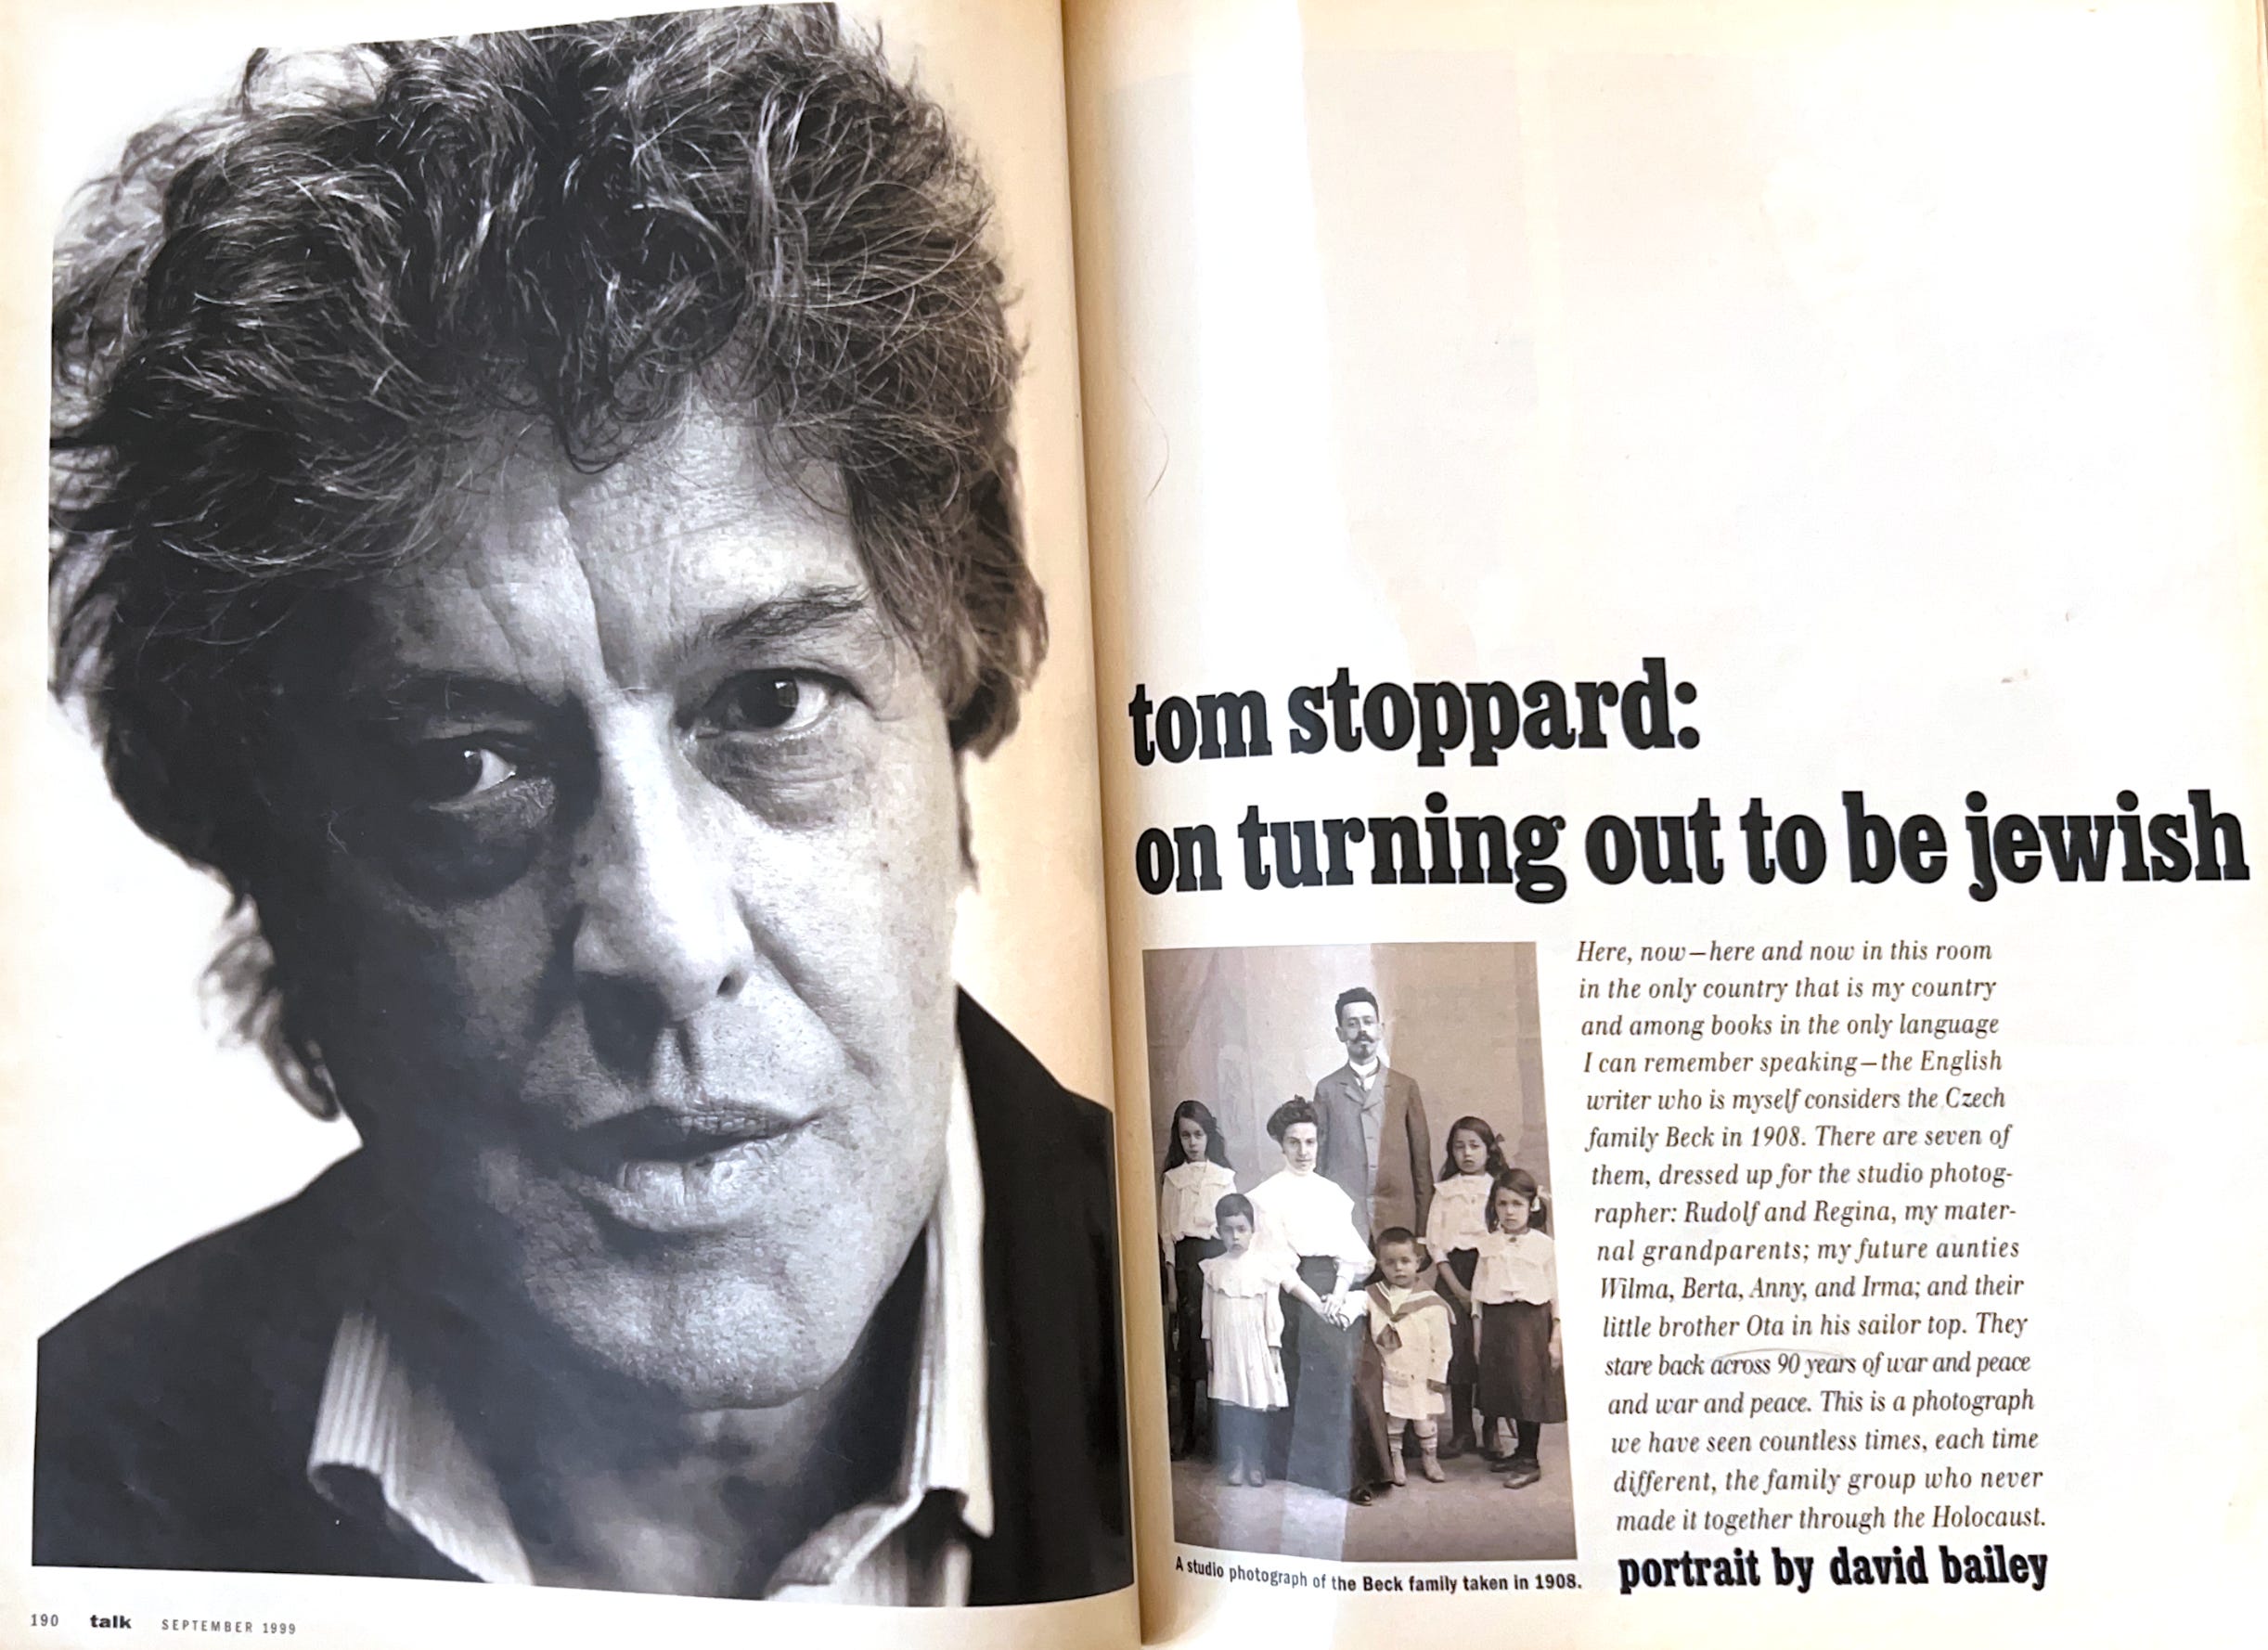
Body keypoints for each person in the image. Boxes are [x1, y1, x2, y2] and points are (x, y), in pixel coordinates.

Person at [36, 8, 1129, 1606]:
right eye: (463, 764)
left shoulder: (1253, 1341)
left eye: (770, 704)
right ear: (281, 876)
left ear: (954, 703)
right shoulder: (60, 1488)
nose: (668, 943)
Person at [1246, 1098, 1387, 1502]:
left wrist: (1339, 1296)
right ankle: (1341, 1477)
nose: (1303, 1152)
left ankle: (1364, 1467)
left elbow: (1351, 1253)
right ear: (1281, 1144)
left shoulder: (1331, 1193)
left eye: (1310, 1142)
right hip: (1295, 1295)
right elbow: (1279, 1265)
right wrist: (1318, 1304)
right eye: (1294, 1142)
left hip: (1335, 1288)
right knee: (1327, 1366)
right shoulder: (1267, 1197)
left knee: (1358, 1365)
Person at [1197, 1193, 1326, 1489]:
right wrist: (1209, 1345)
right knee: (1231, 1407)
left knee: (1255, 1406)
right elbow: (1207, 1313)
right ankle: (1237, 1461)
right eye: (1228, 1230)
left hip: (1255, 1346)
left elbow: (1272, 1312)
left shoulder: (1265, 1266)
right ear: (1218, 1231)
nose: (1235, 1236)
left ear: (1252, 1230)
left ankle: (1256, 1461)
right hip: (1227, 1345)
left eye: (1241, 1229)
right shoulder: (1213, 1269)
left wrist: (1272, 1348)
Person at [1310, 987, 1435, 1240]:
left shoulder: (1405, 1087)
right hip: (1345, 1221)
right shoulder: (1327, 1090)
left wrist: (1422, 1233)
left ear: (1380, 1029)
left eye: (1368, 1022)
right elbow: (1318, 1163)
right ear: (1340, 1033)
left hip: (1397, 1219)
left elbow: (1421, 1165)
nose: (1362, 1031)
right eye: (1352, 1024)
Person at [1471, 1169, 1565, 1491]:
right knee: (1504, 1386)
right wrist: (1478, 1333)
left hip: (1531, 1322)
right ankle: (1518, 1453)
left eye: (1517, 1204)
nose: (1509, 1212)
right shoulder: (1488, 1245)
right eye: (1502, 1204)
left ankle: (1529, 1459)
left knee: (1528, 1388)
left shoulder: (1545, 1246)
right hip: (1498, 1322)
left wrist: (1556, 1337)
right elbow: (1478, 1291)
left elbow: (1557, 1294)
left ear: (1532, 1206)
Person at [1423, 1115, 1509, 1460]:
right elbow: (1435, 1245)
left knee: (1489, 1350)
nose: (1467, 1153)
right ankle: (1462, 1431)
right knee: (1457, 1349)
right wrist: (1457, 1289)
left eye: (1475, 1146)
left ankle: (1491, 1428)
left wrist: (1489, 1285)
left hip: (1493, 1270)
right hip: (1453, 1274)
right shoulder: (1445, 1193)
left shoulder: (1499, 1190)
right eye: (1459, 1147)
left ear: (1489, 1150)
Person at [1157, 1101, 1236, 1459]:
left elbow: (1232, 1228)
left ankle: (1220, 1435)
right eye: (1186, 1135)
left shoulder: (1224, 1177)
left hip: (1216, 1261)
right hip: (1187, 1266)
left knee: (1217, 1345)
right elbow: (1167, 1235)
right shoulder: (1173, 1180)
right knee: (1188, 1348)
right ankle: (1186, 1431)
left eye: (1198, 1135)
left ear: (1209, 1136)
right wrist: (1172, 1285)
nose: (1192, 1142)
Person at [1363, 1230, 1453, 1487]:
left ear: (1418, 1262)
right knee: (1394, 1422)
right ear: (1380, 1264)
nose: (1398, 1268)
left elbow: (1442, 1345)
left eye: (1405, 1261)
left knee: (1425, 1421)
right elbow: (1355, 1306)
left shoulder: (1431, 1303)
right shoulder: (1374, 1296)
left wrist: (1438, 1375)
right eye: (1390, 1263)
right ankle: (1395, 1459)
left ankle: (1430, 1458)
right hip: (1391, 1373)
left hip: (1421, 1375)